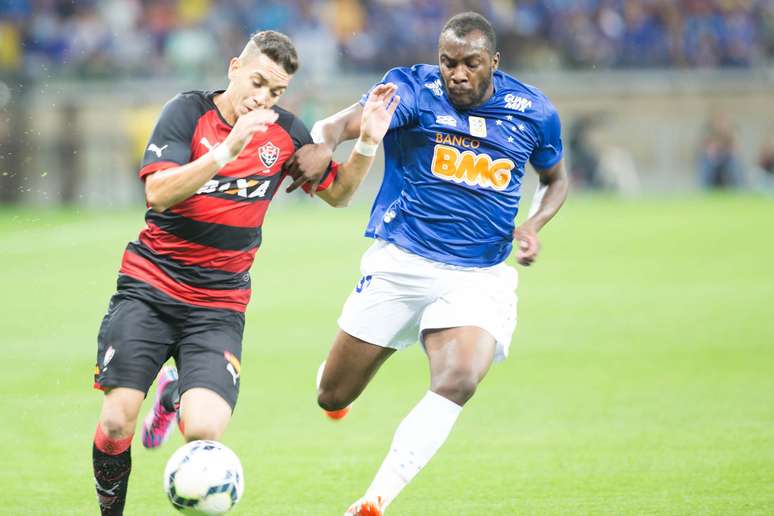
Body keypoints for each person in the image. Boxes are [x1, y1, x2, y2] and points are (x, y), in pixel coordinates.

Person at [91, 30, 399, 515]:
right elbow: (158, 193)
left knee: (204, 432)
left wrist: (365, 144)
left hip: (217, 304)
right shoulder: (187, 113)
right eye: (257, 82)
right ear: (235, 67)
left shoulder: (285, 133)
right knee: (115, 424)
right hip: (149, 289)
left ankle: (176, 392)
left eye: (275, 92)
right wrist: (224, 153)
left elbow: (338, 195)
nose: (263, 98)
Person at [293, 12, 569, 515]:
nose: (457, 74)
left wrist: (532, 225)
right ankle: (372, 352)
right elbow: (339, 123)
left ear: (494, 63)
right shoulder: (411, 90)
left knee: (460, 377)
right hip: (401, 264)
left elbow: (554, 179)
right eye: (448, 62)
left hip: (477, 276)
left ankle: (376, 499)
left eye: (470, 63)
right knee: (331, 396)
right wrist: (322, 143)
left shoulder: (532, 110)